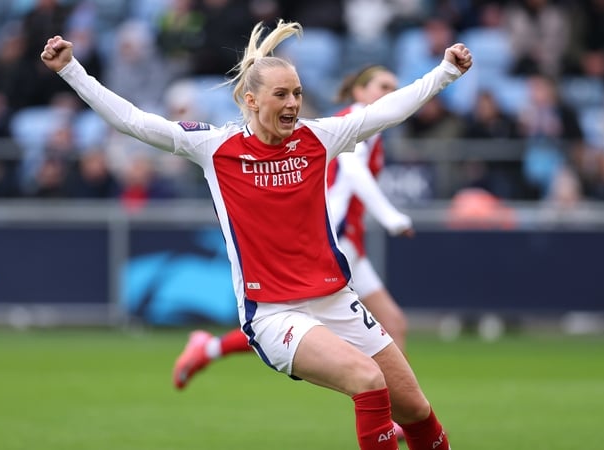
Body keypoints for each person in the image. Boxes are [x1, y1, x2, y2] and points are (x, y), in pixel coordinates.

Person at [41, 19, 471, 450]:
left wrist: (445, 73)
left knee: (415, 409)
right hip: (274, 314)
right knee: (367, 379)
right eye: (281, 94)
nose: (293, 104)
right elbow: (134, 121)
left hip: (336, 298)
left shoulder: (317, 138)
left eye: (298, 93)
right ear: (251, 99)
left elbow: (386, 110)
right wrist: (70, 69)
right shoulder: (215, 147)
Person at [171, 65, 414, 391]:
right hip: (333, 241)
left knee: (391, 323)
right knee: (300, 323)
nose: (389, 93)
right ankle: (389, 410)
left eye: (394, 87)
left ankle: (209, 348)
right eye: (383, 86)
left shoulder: (373, 133)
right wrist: (391, 218)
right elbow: (354, 174)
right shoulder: (350, 122)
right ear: (360, 92)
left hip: (351, 242)